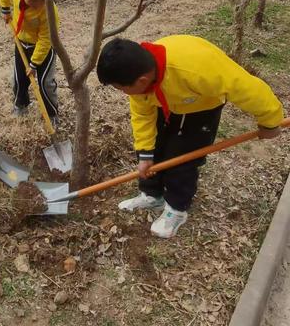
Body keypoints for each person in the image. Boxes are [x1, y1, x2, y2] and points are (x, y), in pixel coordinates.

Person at [97, 35, 283, 238]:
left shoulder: (196, 69)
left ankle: (177, 209)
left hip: (200, 106)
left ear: (141, 80)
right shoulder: (141, 82)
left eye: (121, 88)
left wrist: (270, 121)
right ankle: (152, 195)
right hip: (164, 100)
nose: (123, 93)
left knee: (181, 159)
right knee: (156, 148)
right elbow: (142, 116)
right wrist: (145, 155)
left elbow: (249, 89)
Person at [0, 0, 59, 125]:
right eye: (32, 2)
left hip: (42, 49)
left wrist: (34, 63)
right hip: (21, 43)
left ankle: (52, 114)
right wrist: (5, 9)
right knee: (19, 79)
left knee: (45, 83)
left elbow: (46, 39)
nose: (37, 5)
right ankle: (21, 105)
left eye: (41, 1)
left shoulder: (49, 11)